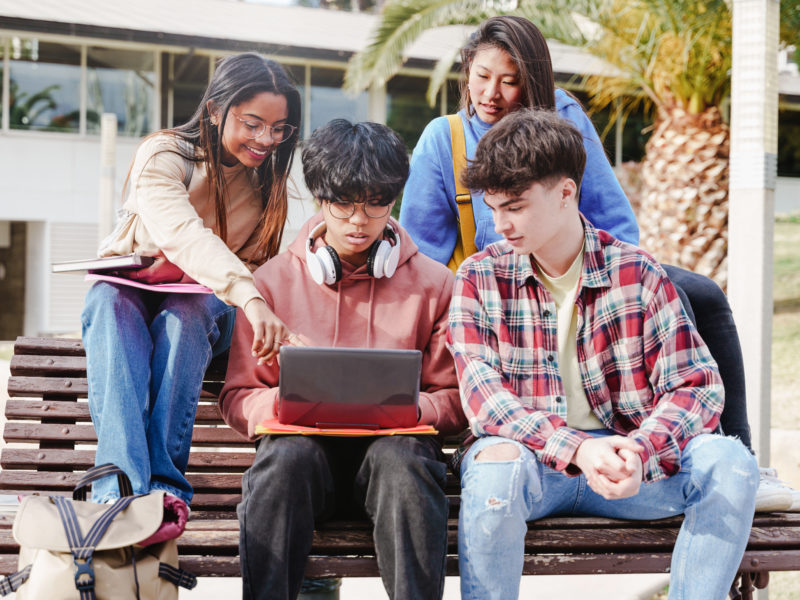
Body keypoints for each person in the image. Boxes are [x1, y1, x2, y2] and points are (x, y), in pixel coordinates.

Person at [401, 14, 757, 472]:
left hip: (584, 266)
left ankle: (734, 450)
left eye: (509, 82)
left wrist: (607, 277)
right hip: (497, 289)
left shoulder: (563, 114)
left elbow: (613, 216)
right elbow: (423, 253)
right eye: (482, 77)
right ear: (466, 71)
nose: (491, 94)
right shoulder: (444, 139)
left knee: (701, 293)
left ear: (533, 83)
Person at [448, 108, 759, 599]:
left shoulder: (637, 272)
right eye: (493, 208)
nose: (500, 224)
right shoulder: (479, 276)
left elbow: (696, 385)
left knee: (731, 463)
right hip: (533, 468)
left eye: (515, 206)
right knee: (494, 466)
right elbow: (485, 401)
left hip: (633, 469)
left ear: (566, 192)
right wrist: (577, 448)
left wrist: (641, 449)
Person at [219, 119, 466, 600]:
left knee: (403, 459)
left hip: (395, 464)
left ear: (394, 199)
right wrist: (278, 404)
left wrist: (419, 410)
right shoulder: (269, 284)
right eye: (344, 204)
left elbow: (455, 398)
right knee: (284, 459)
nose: (359, 220)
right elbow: (237, 395)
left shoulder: (436, 284)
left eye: (376, 203)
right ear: (318, 198)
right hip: (303, 464)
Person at [81, 53, 301, 511]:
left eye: (279, 129)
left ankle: (163, 489)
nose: (267, 139)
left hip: (204, 312)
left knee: (188, 311)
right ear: (217, 110)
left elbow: (254, 262)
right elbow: (184, 234)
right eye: (254, 123)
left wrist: (237, 294)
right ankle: (118, 492)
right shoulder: (164, 154)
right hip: (134, 295)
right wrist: (250, 297)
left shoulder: (266, 182)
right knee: (106, 301)